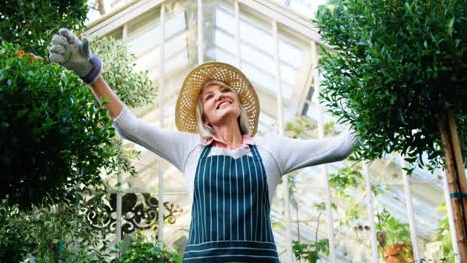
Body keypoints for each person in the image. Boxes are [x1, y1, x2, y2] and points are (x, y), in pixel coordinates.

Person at [49, 28, 358, 263]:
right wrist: (90, 75)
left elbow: (341, 146)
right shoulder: (191, 148)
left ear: (238, 103)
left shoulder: (271, 150)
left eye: (225, 91)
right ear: (205, 117)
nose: (220, 96)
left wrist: (379, 108)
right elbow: (130, 126)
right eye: (210, 97)